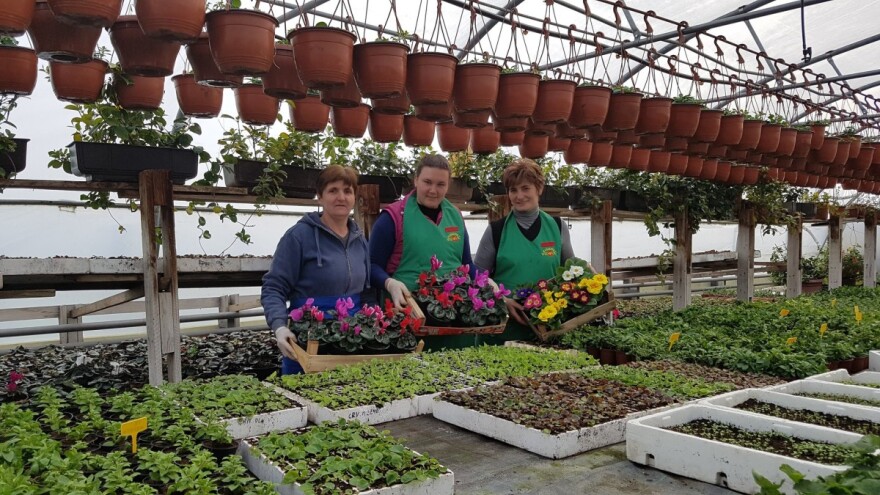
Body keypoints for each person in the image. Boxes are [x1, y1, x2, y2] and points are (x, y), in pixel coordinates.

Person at [261, 165, 370, 374]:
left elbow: (367, 292)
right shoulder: (298, 237)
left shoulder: (360, 240)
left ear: (355, 197)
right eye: (333, 190)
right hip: (309, 338)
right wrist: (279, 326)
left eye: (347, 191)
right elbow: (274, 287)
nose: (341, 197)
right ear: (320, 197)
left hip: (353, 340)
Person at [369, 154, 478, 350]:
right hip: (406, 319)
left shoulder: (455, 217)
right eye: (427, 182)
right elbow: (371, 266)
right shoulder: (393, 218)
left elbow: (466, 264)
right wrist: (389, 282)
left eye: (440, 184)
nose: (433, 190)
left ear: (448, 185)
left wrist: (486, 281)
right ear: (416, 180)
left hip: (454, 321)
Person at [474, 158, 575, 345]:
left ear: (539, 188)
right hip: (502, 333)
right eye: (513, 190)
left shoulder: (557, 227)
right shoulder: (496, 231)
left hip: (548, 330)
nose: (519, 196)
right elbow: (477, 278)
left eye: (525, 188)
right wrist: (502, 300)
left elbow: (571, 273)